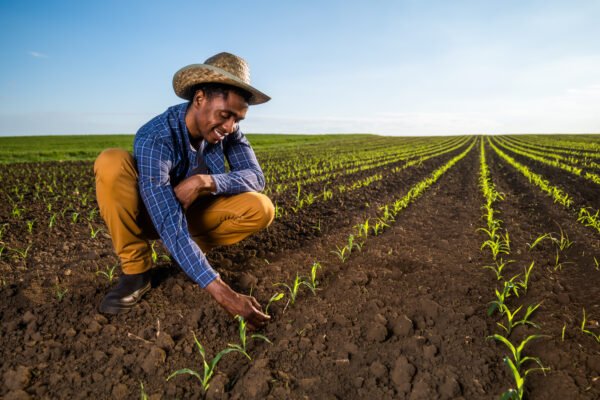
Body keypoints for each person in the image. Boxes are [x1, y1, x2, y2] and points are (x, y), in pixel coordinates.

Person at [93, 52, 274, 330]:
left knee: (260, 207)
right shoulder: (157, 135)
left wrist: (205, 181)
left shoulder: (230, 132)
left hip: (191, 215)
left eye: (238, 119)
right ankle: (137, 273)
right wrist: (223, 293)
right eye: (225, 115)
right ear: (200, 98)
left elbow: (255, 177)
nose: (230, 126)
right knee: (111, 161)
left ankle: (189, 256)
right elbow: (167, 220)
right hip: (149, 215)